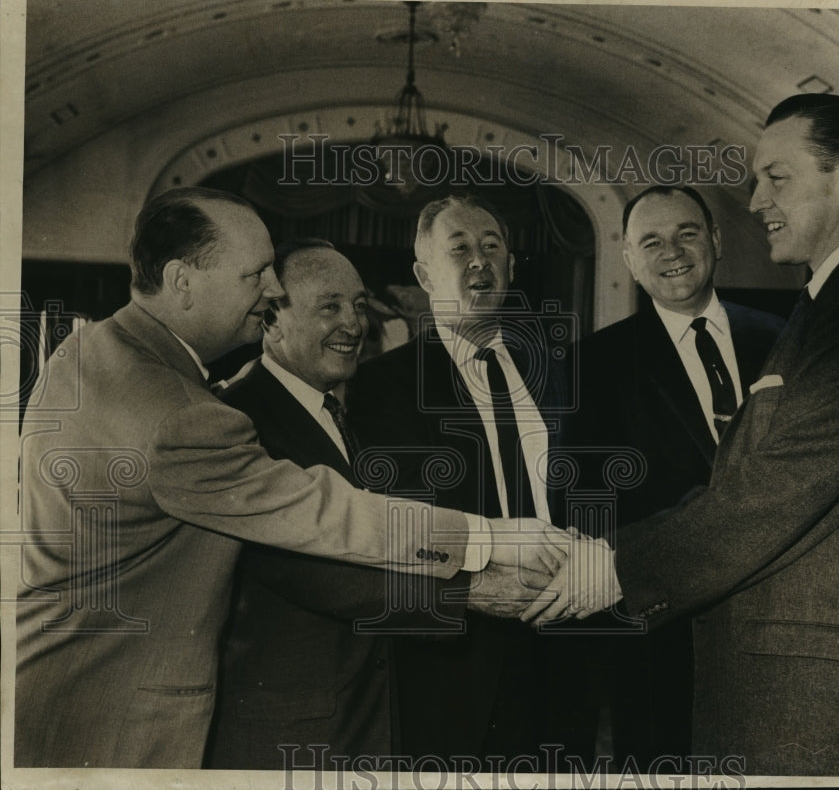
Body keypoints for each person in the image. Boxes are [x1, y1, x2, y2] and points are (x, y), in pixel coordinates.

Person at [15, 188, 563, 769]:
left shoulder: (89, 349)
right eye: (255, 275)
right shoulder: (185, 414)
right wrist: (490, 539)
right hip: (120, 719)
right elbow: (318, 514)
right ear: (181, 281)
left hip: (64, 696)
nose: (273, 290)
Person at [526, 94, 839, 776]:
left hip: (830, 691)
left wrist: (615, 566)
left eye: (776, 177)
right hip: (789, 674)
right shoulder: (837, 299)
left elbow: (779, 486)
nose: (756, 201)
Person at [205, 238, 547, 768]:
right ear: (271, 317)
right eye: (329, 307)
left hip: (366, 717)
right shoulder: (238, 418)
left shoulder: (344, 409)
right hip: (291, 732)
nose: (352, 324)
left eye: (359, 305)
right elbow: (308, 569)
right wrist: (475, 590)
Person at [350, 195, 586, 765]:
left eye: (492, 246)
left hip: (564, 651)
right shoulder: (381, 385)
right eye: (458, 249)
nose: (479, 260)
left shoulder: (559, 371)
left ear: (512, 265)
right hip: (455, 661)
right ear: (424, 274)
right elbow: (395, 524)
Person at [571, 185, 783, 769]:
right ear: (630, 260)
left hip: (778, 621)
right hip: (661, 634)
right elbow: (587, 505)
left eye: (687, 233)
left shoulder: (785, 339)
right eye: (651, 242)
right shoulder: (594, 363)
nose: (673, 251)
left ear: (715, 240)